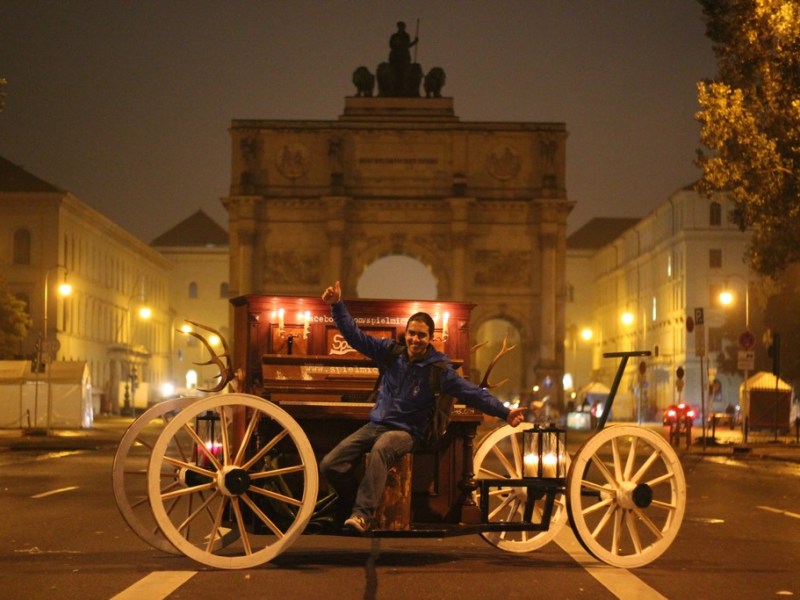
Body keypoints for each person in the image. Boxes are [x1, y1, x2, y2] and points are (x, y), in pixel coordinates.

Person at [319, 281, 526, 534]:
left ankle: (362, 516)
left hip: (409, 432)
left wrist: (505, 412)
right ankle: (352, 502)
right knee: (330, 463)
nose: (415, 339)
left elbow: (472, 393)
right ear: (405, 333)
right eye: (411, 333)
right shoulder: (390, 353)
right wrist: (337, 305)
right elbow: (355, 337)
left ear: (430, 338)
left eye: (421, 335)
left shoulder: (438, 370)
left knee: (382, 447)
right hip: (376, 425)